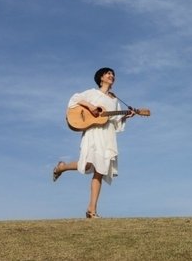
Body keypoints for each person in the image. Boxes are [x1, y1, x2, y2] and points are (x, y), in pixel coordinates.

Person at [52, 67, 134, 219]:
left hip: (107, 134)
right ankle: (62, 167)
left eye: (113, 74)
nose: (112, 76)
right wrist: (91, 107)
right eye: (108, 73)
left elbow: (116, 122)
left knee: (100, 171)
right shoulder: (92, 93)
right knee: (88, 164)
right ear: (101, 78)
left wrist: (126, 116)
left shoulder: (115, 100)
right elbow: (74, 100)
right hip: (93, 132)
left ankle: (92, 210)